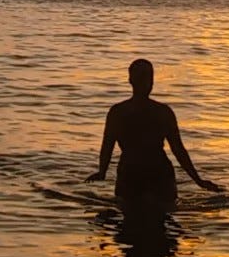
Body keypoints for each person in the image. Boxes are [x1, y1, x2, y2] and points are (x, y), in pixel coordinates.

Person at [88, 58, 221, 210]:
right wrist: (198, 180)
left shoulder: (120, 112)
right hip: (142, 173)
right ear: (131, 80)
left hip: (145, 173)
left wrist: (102, 172)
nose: (147, 82)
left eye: (148, 78)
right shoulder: (160, 112)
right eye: (144, 78)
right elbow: (178, 150)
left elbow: (107, 146)